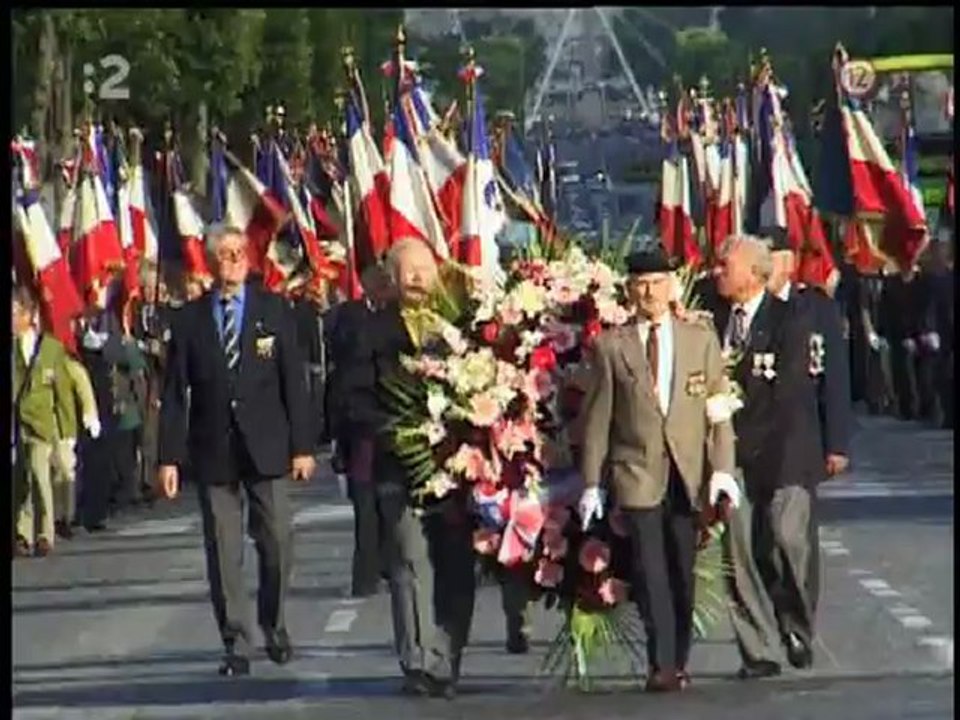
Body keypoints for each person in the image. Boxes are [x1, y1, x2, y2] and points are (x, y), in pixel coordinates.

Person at [578, 247, 739, 693]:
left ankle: (679, 657)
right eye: (640, 284)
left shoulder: (699, 340)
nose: (648, 292)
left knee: (681, 572)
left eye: (656, 282)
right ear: (630, 290)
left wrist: (722, 469)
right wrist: (591, 482)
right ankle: (660, 663)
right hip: (637, 474)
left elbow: (719, 410)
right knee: (650, 571)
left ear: (671, 287)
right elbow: (597, 421)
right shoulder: (612, 347)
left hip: (688, 475)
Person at [157, 225, 315, 677]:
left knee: (278, 540)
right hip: (214, 449)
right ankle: (236, 641)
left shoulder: (273, 309)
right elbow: (173, 395)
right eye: (223, 255)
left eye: (238, 253)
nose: (232, 261)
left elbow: (294, 383)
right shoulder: (188, 320)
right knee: (224, 549)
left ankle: (275, 623)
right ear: (209, 263)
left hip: (267, 445)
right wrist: (168, 457)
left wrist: (303, 447)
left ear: (248, 258)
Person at [712, 234, 823, 678]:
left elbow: (792, 391)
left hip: (784, 448)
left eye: (726, 266)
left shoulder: (791, 318)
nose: (717, 272)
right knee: (736, 550)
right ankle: (757, 648)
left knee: (785, 539)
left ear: (754, 275)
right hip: (729, 453)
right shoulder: (709, 316)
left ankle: (795, 623)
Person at [371, 238, 476, 699]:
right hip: (398, 465)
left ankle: (446, 658)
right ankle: (416, 661)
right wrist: (395, 432)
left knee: (455, 564)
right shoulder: (367, 329)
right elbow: (351, 396)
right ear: (390, 278)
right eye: (407, 271)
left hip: (457, 467)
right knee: (409, 563)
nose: (416, 278)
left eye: (424, 270)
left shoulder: (462, 327)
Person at [12, 286, 99, 557]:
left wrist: (69, 429)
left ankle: (44, 534)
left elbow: (63, 390)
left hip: (41, 425)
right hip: (17, 425)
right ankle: (21, 533)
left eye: (15, 313)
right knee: (20, 481)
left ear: (28, 315)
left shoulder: (50, 348)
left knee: (39, 475)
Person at [326, 263, 396, 598]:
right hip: (360, 423)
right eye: (376, 280)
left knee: (392, 500)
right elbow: (339, 364)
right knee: (364, 500)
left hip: (395, 418)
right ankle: (366, 573)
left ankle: (390, 562)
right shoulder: (347, 317)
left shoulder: (399, 316)